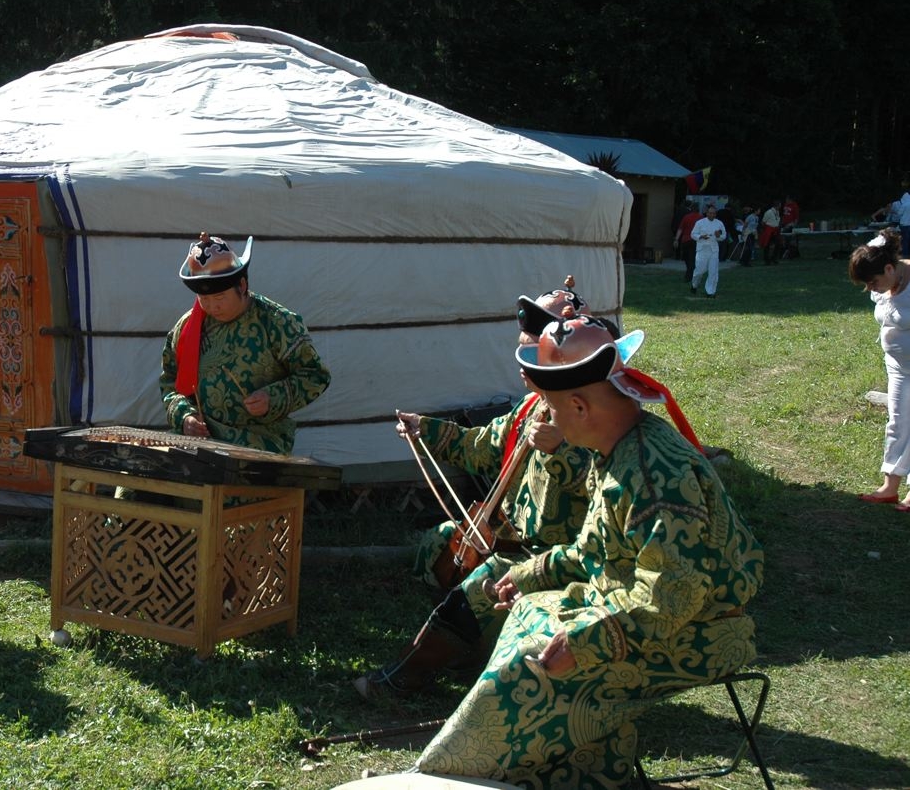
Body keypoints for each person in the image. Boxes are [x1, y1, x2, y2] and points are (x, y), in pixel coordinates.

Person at [414, 314, 764, 787]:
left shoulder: (656, 475)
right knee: (528, 616)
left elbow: (673, 600)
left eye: (551, 409)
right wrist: (528, 575)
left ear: (579, 406)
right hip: (640, 611)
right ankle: (589, 774)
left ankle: (463, 773)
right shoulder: (616, 450)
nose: (548, 419)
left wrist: (585, 643)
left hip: (702, 631)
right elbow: (590, 552)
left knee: (534, 668)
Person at [354, 283, 616, 699]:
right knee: (440, 545)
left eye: (532, 353)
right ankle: (471, 645)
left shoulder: (599, 420)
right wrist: (427, 429)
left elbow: (610, 493)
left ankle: (408, 674)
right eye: (522, 349)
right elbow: (481, 446)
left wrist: (562, 452)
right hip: (514, 539)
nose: (521, 364)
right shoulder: (530, 407)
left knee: (477, 588)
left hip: (560, 558)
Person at [160, 232, 330, 454]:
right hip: (201, 439)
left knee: (221, 477)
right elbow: (170, 383)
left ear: (241, 285)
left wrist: (273, 397)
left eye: (219, 297)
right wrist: (185, 417)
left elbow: (316, 375)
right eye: (204, 299)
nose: (212, 306)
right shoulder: (187, 327)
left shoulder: (277, 322)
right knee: (136, 475)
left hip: (257, 439)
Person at [848, 229, 910, 510]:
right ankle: (890, 485)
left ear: (889, 268)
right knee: (898, 422)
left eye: (873, 282)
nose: (870, 289)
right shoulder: (884, 285)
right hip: (898, 366)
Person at [690, 205, 727, 297]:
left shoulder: (719, 223)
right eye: (710, 213)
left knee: (713, 271)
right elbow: (693, 234)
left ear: (715, 214)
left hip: (714, 250)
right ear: (707, 213)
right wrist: (701, 236)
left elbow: (724, 236)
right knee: (699, 270)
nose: (712, 215)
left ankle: (710, 292)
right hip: (702, 249)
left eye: (714, 213)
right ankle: (694, 285)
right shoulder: (700, 223)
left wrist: (719, 236)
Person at [672, 203, 701, 285]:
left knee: (687, 259)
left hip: (686, 240)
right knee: (693, 259)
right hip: (696, 241)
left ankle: (689, 274)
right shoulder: (701, 218)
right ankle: (691, 275)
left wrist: (676, 239)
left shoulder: (686, 217)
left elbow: (680, 229)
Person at [759, 200, 783, 264]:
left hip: (775, 230)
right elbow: (763, 222)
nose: (781, 206)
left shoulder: (777, 212)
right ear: (777, 206)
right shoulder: (768, 212)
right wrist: (766, 230)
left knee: (778, 243)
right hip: (769, 230)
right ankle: (767, 260)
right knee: (767, 245)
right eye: (780, 205)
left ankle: (774, 258)